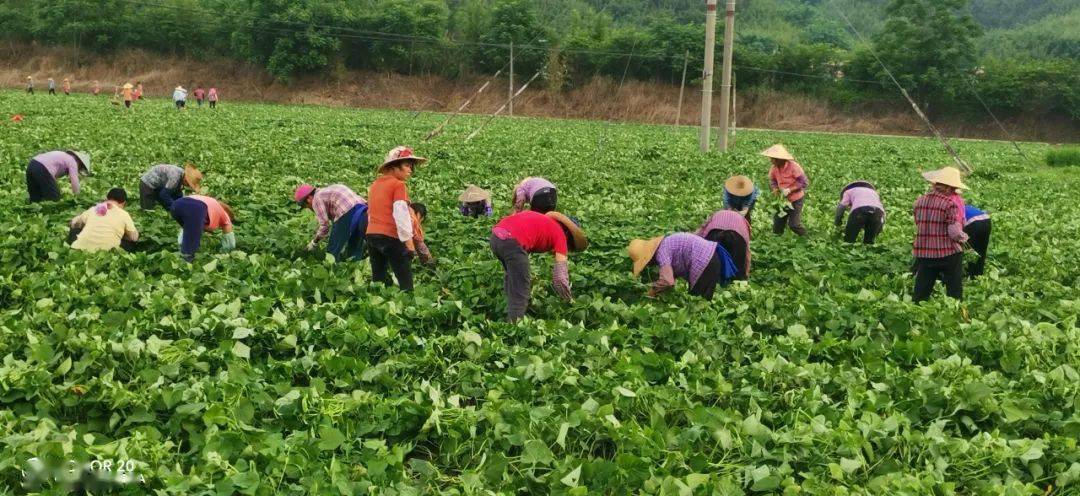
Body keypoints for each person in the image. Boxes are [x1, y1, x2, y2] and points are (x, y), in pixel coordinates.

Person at [490, 210, 587, 321]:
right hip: (511, 242)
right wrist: (569, 300)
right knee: (521, 290)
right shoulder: (560, 235)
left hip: (495, 237)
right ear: (568, 235)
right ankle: (514, 327)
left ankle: (508, 309)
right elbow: (560, 278)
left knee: (512, 276)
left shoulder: (545, 222)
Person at [366, 146, 425, 291]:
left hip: (371, 235)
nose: (410, 170)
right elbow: (401, 214)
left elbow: (371, 211)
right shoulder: (398, 185)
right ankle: (409, 305)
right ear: (393, 167)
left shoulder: (374, 185)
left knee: (378, 278)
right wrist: (408, 241)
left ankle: (375, 303)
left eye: (411, 166)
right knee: (405, 279)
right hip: (390, 236)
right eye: (406, 165)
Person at [912, 167, 969, 302]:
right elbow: (954, 233)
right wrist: (964, 238)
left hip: (925, 252)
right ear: (949, 188)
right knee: (954, 289)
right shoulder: (949, 204)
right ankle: (956, 312)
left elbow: (918, 223)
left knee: (922, 288)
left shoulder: (919, 201)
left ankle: (915, 311)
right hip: (948, 253)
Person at [627, 233, 739, 300]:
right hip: (712, 257)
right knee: (702, 300)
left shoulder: (662, 253)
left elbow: (668, 281)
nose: (649, 266)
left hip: (704, 262)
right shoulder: (666, 243)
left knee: (698, 302)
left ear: (649, 257)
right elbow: (671, 276)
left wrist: (651, 293)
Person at [294, 184, 368, 263]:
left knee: (332, 250)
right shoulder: (325, 192)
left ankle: (331, 271)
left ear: (308, 199)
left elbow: (325, 225)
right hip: (361, 208)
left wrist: (314, 243)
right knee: (354, 244)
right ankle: (355, 268)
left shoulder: (316, 199)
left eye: (306, 206)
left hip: (346, 209)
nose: (309, 208)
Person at [68, 188, 139, 252]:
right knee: (131, 242)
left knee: (75, 230)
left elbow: (74, 222)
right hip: (108, 252)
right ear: (124, 203)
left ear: (107, 199)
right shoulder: (124, 214)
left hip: (81, 249)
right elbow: (134, 237)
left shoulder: (94, 209)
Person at [170, 194, 236, 262]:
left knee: (190, 230)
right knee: (191, 244)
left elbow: (190, 228)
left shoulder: (211, 205)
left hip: (175, 206)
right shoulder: (225, 215)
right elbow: (229, 241)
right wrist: (226, 253)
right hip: (196, 207)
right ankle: (185, 264)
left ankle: (181, 250)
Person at [763, 144, 809, 236]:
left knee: (794, 225)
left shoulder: (794, 167)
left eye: (773, 159)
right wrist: (775, 189)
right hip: (782, 200)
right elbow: (773, 180)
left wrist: (790, 189)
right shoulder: (774, 169)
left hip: (796, 199)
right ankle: (777, 244)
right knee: (777, 225)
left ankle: (807, 239)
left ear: (779, 159)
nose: (771, 161)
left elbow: (804, 182)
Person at [695, 209, 751, 280]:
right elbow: (747, 253)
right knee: (737, 266)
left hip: (715, 233)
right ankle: (734, 279)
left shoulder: (717, 213)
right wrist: (746, 273)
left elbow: (701, 232)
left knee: (709, 259)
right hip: (737, 238)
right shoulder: (744, 222)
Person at [26, 150, 92, 202]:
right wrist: (77, 196)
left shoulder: (63, 156)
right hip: (42, 168)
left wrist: (56, 188)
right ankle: (51, 215)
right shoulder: (73, 161)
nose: (79, 169)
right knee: (54, 198)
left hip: (31, 165)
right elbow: (74, 180)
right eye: (80, 167)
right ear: (80, 162)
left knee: (35, 197)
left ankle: (32, 214)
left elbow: (50, 178)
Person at [963, 203, 991, 278]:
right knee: (982, 248)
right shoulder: (967, 207)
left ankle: (970, 274)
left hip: (973, 223)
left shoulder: (954, 209)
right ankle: (978, 274)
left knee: (970, 249)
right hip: (987, 220)